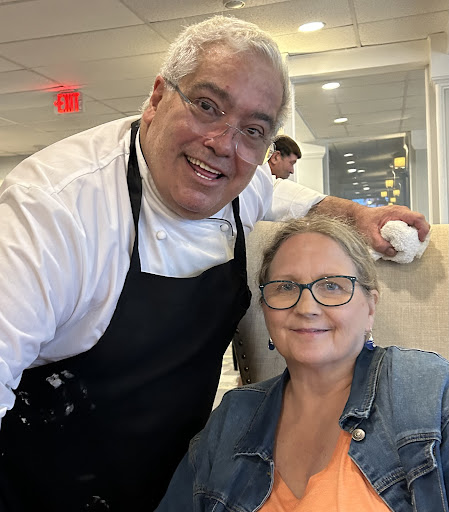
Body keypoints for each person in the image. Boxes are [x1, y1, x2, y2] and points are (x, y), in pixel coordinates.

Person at [0, 14, 429, 512]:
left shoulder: (239, 183)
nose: (225, 145)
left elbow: (288, 197)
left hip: (182, 483)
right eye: (207, 106)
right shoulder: (49, 211)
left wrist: (357, 215)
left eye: (253, 130)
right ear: (157, 98)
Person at [156, 214, 449, 512]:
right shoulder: (232, 417)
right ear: (265, 308)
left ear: (370, 307)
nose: (307, 308)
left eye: (332, 286)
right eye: (285, 287)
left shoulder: (428, 390)